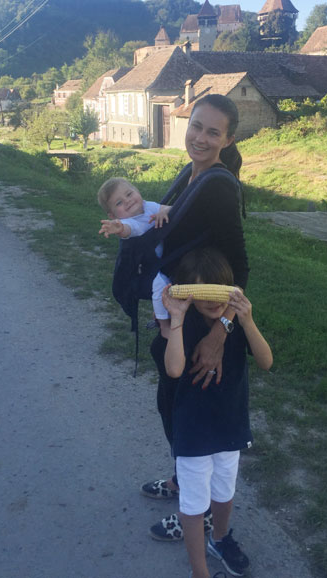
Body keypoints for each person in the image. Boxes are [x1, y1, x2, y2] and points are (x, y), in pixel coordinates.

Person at [141, 94, 250, 541]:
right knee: (172, 405)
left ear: (228, 139)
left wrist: (220, 334)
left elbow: (240, 268)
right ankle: (182, 481)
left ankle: (200, 513)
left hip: (204, 323)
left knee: (194, 422)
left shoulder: (219, 187)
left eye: (212, 132)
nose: (200, 138)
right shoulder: (192, 174)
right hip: (181, 312)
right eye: (196, 126)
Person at [162, 247, 273, 578]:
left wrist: (248, 320)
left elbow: (266, 361)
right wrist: (176, 318)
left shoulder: (234, 325)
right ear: (190, 293)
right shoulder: (186, 324)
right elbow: (174, 369)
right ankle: (200, 571)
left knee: (224, 494)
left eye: (220, 291)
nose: (214, 301)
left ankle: (220, 538)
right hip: (193, 431)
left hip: (230, 425)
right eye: (203, 292)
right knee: (194, 505)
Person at [98, 177, 172, 336]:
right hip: (148, 267)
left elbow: (172, 208)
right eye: (119, 203)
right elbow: (132, 230)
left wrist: (164, 211)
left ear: (137, 191)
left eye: (129, 194)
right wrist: (119, 229)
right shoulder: (128, 221)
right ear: (112, 215)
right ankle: (164, 326)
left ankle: (163, 312)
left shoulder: (149, 206)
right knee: (161, 284)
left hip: (166, 257)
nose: (127, 201)